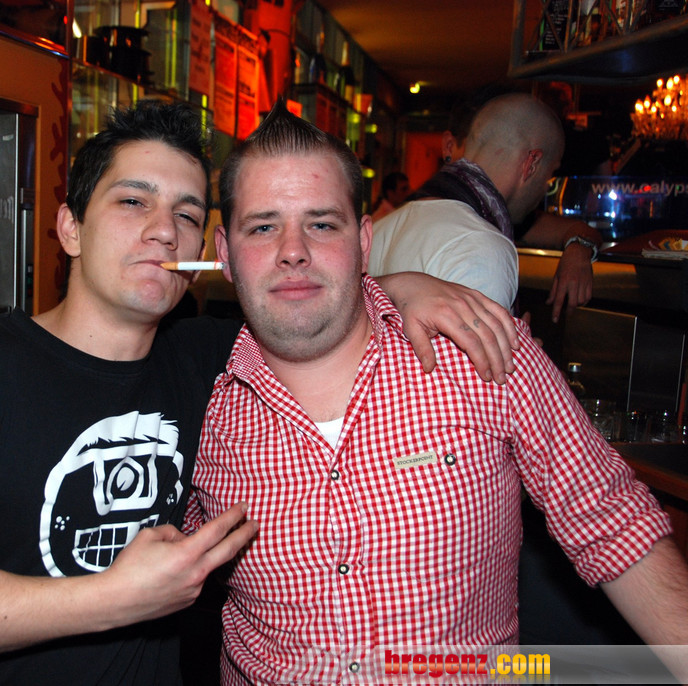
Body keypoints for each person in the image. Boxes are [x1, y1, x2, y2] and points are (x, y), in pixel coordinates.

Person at [0, 100, 519, 684]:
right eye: (133, 201)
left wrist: (398, 287)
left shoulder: (210, 361)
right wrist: (112, 598)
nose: (164, 229)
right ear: (70, 228)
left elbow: (315, 304)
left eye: (187, 213)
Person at [189, 101, 688, 685]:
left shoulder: (481, 352)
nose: (293, 249)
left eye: (322, 224)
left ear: (364, 241)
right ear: (225, 252)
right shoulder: (198, 401)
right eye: (263, 227)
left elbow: (614, 523)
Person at [441, 87, 603, 322]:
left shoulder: (502, 211)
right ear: (449, 147)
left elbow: (576, 230)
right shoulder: (435, 216)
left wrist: (578, 249)